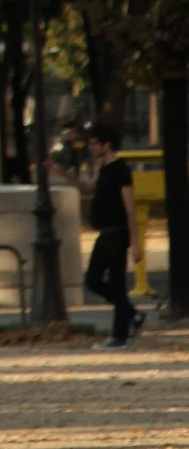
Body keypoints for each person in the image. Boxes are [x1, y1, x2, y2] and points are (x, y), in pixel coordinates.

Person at [84, 126, 142, 347]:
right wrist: (62, 174)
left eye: (94, 143)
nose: (91, 148)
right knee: (92, 279)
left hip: (117, 234)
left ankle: (120, 335)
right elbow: (87, 187)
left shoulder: (120, 169)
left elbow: (130, 208)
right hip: (104, 234)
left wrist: (135, 243)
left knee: (117, 283)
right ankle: (131, 314)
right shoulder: (104, 169)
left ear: (106, 145)